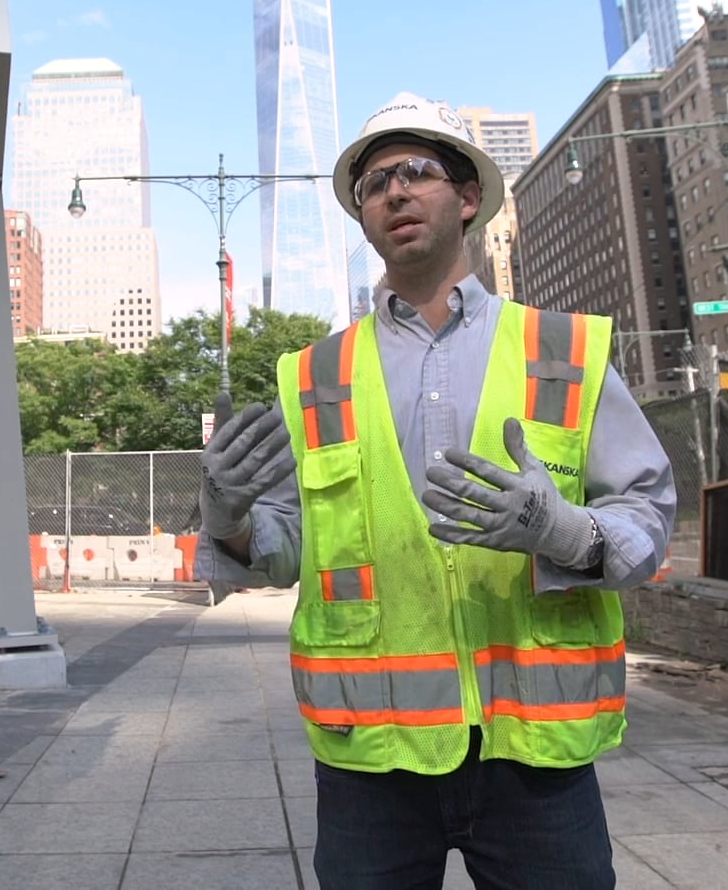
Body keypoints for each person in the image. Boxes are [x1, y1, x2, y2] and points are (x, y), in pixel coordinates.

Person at [195, 93, 677, 890]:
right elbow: (286, 549)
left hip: (533, 754)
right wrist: (232, 522)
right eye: (374, 182)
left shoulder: (563, 349)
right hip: (371, 759)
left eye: (417, 172)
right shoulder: (314, 376)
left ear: (468, 198)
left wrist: (564, 533)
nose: (393, 192)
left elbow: (647, 516)